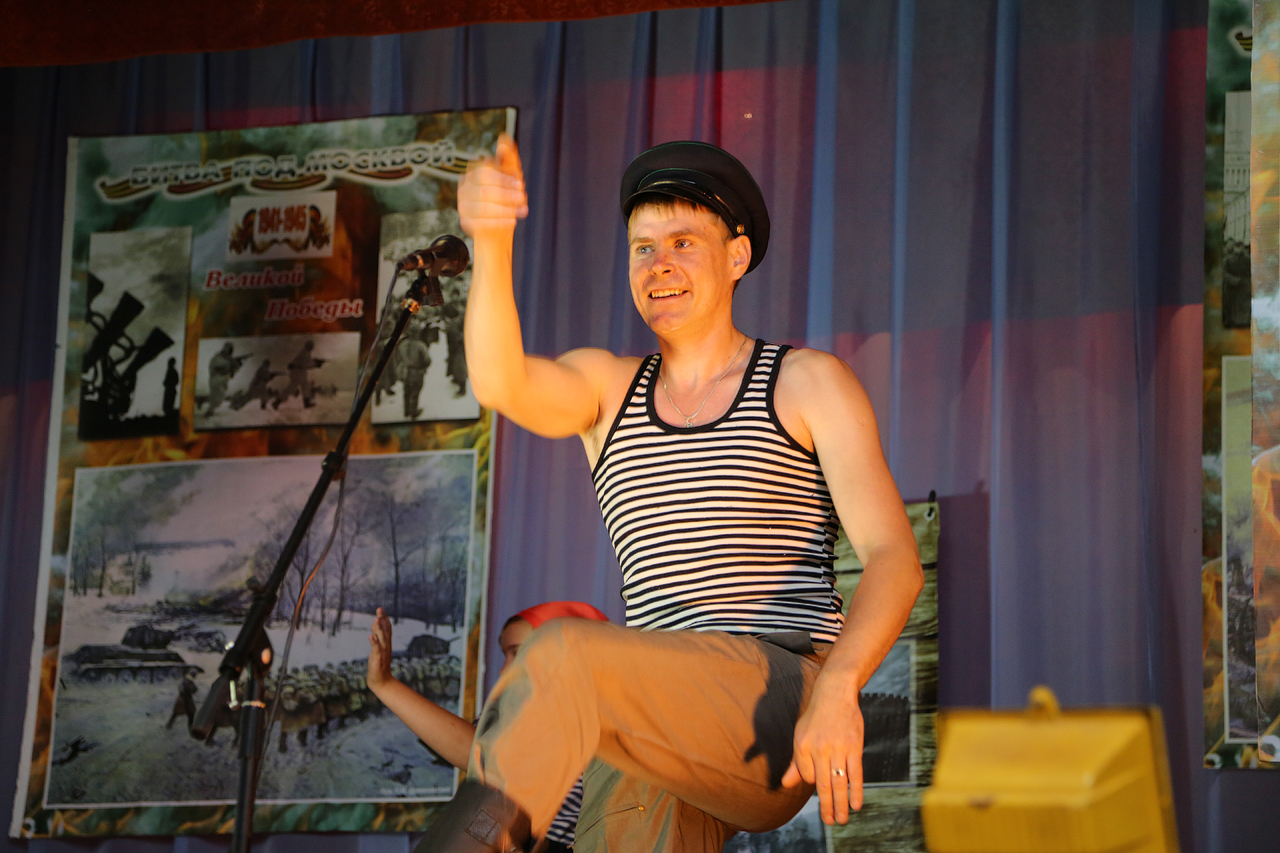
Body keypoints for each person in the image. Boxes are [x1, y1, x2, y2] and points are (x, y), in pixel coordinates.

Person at [420, 136, 923, 853]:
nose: (659, 264)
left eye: (683, 242)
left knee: (562, 653)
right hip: (644, 702)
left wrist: (842, 687)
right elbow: (502, 382)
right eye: (643, 248)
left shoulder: (805, 382)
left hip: (775, 694)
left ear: (737, 256)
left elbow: (893, 556)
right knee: (620, 794)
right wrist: (491, 240)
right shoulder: (607, 387)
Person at [368, 601, 609, 853]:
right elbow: (474, 752)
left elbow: (481, 753)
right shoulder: (509, 712)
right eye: (505, 655)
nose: (504, 669)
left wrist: (385, 685)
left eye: (519, 652)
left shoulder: (593, 716)